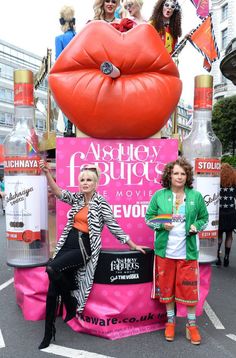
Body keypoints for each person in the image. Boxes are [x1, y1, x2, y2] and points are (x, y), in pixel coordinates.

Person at [38, 160, 146, 350]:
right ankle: (48, 333)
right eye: (83, 180)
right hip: (67, 242)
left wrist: (132, 244)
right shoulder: (77, 198)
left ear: (96, 184)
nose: (85, 183)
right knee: (52, 289)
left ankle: (70, 302)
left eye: (89, 180)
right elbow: (58, 192)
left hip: (84, 245)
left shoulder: (101, 203)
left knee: (52, 268)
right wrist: (47, 173)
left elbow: (114, 226)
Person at [145, 157, 208, 345]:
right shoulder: (160, 195)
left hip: (188, 253)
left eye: (183, 173)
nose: (179, 177)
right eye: (176, 173)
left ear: (187, 176)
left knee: (189, 290)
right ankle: (170, 321)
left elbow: (204, 218)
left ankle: (191, 325)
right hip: (165, 252)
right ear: (169, 176)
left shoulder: (195, 196)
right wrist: (163, 224)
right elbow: (149, 218)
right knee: (167, 289)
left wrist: (196, 226)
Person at [55, 5, 76, 137]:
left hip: (65, 77)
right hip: (79, 76)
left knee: (66, 106)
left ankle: (68, 129)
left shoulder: (59, 39)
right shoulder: (78, 36)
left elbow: (58, 60)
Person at [216, 163, 236, 267]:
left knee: (219, 235)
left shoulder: (217, 183)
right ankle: (227, 257)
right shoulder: (234, 183)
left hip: (220, 213)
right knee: (229, 235)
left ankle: (217, 257)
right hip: (231, 213)